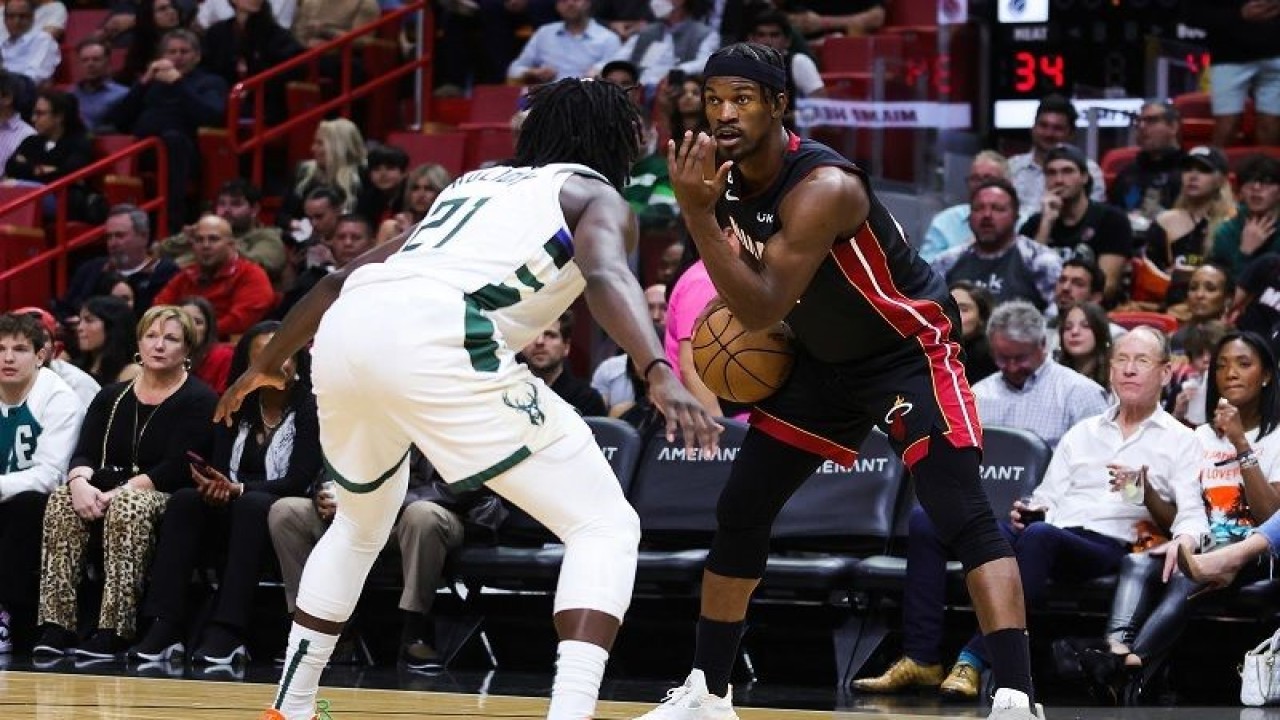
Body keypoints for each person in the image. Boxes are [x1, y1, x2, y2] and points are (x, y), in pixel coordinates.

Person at [215, 77, 720, 720]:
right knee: (604, 525)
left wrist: (263, 363)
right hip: (442, 333)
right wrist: (657, 369)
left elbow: (342, 278)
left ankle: (292, 704)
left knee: (360, 522)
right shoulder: (593, 194)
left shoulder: (471, 184)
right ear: (614, 139)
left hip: (349, 328)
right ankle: (570, 713)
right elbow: (605, 273)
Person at [652, 42, 1040, 719]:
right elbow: (749, 303)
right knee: (741, 510)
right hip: (820, 360)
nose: (724, 113)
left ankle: (1016, 695)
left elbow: (762, 303)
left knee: (959, 512)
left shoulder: (824, 186)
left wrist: (697, 215)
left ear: (779, 104)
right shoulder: (720, 175)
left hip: (904, 352)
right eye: (714, 100)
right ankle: (707, 693)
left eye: (742, 98)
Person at [1089, 330, 1279, 702]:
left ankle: (1126, 666)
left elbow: (1270, 516)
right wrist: (1145, 492)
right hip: (1196, 545)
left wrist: (1242, 444)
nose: (1231, 373)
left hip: (1250, 555)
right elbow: (1180, 515)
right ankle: (1118, 652)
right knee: (1137, 563)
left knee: (1183, 578)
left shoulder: (1274, 438)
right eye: (1221, 366)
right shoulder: (1199, 438)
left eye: (1243, 364)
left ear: (1267, 375)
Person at [32, 305, 217, 659]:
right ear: (139, 343)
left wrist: (121, 491)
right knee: (60, 500)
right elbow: (84, 452)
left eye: (171, 338)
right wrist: (79, 483)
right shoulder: (111, 395)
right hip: (106, 488)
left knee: (128, 504)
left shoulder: (199, 399)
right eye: (151, 336)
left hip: (165, 495)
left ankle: (116, 628)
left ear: (187, 350)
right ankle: (57, 625)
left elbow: (177, 467)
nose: (159, 345)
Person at [131, 321, 318, 664]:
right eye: (266, 355)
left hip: (283, 512)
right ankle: (165, 624)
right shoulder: (233, 403)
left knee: (251, 504)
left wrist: (238, 489)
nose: (280, 363)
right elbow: (218, 467)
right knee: (186, 500)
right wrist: (214, 486)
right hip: (234, 505)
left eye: (286, 353)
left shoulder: (311, 408)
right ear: (248, 366)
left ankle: (228, 631)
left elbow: (298, 479)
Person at [0, 312, 86, 653]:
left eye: (19, 349)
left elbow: (50, 474)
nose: (7, 357)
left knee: (26, 505)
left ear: (40, 355)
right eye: (1, 348)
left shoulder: (59, 398)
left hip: (48, 502)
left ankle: (5, 616)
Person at [971, 300, 1109, 451]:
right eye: (1002, 358)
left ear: (1043, 344)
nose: (1012, 367)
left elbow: (1098, 460)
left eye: (1020, 358)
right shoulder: (977, 395)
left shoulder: (1081, 394)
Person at [1020, 144, 1133, 304]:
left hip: (1093, 314)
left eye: (1067, 171)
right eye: (1051, 173)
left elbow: (1107, 287)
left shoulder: (1111, 220)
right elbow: (1026, 283)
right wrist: (1046, 223)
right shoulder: (1034, 224)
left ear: (1084, 177)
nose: (1059, 180)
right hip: (1044, 311)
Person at [929, 178, 1062, 311]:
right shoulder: (946, 262)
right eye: (979, 208)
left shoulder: (1041, 260)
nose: (987, 215)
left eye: (998, 209)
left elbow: (1055, 316)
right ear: (969, 217)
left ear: (1016, 216)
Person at [152, 214, 278, 337]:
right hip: (183, 343)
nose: (205, 245)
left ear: (231, 245)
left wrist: (191, 333)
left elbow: (240, 322)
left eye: (213, 239)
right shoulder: (186, 274)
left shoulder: (252, 274)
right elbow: (158, 309)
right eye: (199, 240)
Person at [1007, 94, 1107, 218]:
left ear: (1071, 134)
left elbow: (1093, 219)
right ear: (1033, 128)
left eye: (1057, 128)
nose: (1049, 133)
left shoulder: (1089, 171)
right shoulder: (1011, 168)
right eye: (1043, 126)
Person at [1107, 100, 1185, 227]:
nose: (1142, 127)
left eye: (1152, 121)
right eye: (1139, 122)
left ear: (1173, 127)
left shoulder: (1190, 172)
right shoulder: (1126, 175)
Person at [505, 0, 621, 85]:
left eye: (576, 0)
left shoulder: (608, 38)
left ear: (588, 3)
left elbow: (619, 75)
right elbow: (514, 70)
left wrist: (600, 72)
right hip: (548, 102)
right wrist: (534, 72)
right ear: (557, 6)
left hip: (592, 101)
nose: (570, 3)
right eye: (563, 1)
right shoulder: (544, 33)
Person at [520, 311, 607, 417]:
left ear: (566, 347)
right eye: (533, 334)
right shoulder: (507, 392)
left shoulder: (587, 400)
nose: (539, 341)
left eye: (550, 335)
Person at [72, 295, 141, 386]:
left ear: (112, 327)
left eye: (89, 320)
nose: (79, 328)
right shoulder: (74, 367)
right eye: (80, 321)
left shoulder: (131, 372)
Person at [375, 163, 450, 246]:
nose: (421, 195)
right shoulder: (392, 227)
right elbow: (376, 259)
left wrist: (409, 235)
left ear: (441, 192)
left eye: (429, 189)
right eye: (415, 188)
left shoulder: (449, 229)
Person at [178, 296, 234, 393]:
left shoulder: (223, 357)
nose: (190, 326)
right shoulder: (161, 353)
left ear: (208, 329)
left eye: (198, 322)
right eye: (183, 321)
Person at [1055, 301, 1113, 391]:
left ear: (1100, 332)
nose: (1074, 332)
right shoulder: (1054, 376)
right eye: (1068, 327)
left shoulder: (1114, 376)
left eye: (1085, 326)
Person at [949, 280, 997, 385]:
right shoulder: (928, 350)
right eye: (949, 307)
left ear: (982, 317)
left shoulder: (993, 357)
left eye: (963, 309)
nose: (953, 315)